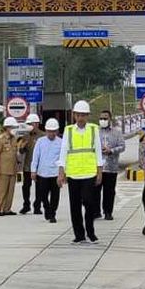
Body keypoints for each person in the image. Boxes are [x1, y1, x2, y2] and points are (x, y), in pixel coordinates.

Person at [58, 100, 104, 244]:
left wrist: (99, 171)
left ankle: (90, 231)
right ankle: (79, 234)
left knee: (89, 203)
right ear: (74, 115)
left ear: (88, 116)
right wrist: (61, 172)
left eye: (84, 115)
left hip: (89, 173)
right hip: (73, 173)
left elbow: (98, 151)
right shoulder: (68, 130)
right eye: (78, 115)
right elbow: (63, 152)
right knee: (75, 205)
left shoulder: (93, 130)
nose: (81, 118)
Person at [31, 118, 63, 223]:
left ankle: (52, 213)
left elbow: (63, 159)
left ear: (57, 131)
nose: (51, 133)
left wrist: (62, 173)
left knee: (55, 196)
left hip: (55, 173)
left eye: (53, 131)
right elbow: (35, 157)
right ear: (46, 131)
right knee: (43, 195)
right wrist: (33, 171)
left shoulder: (61, 143)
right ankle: (46, 207)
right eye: (49, 131)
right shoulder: (40, 142)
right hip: (42, 173)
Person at [95, 110, 126, 220]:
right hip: (97, 167)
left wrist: (111, 150)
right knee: (95, 191)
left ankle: (108, 212)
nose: (103, 120)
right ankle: (96, 211)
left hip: (111, 167)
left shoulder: (117, 132)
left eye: (105, 118)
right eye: (101, 118)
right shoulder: (95, 132)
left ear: (110, 119)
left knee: (109, 191)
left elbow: (122, 146)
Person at [0, 117, 21, 216]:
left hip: (12, 169)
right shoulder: (0, 139)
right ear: (7, 127)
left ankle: (7, 209)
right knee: (1, 191)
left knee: (10, 191)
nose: (14, 129)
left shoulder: (14, 139)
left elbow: (15, 153)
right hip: (3, 169)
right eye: (12, 127)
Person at [18, 114, 43, 215]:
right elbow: (21, 151)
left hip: (39, 167)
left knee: (39, 187)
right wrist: (22, 146)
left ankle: (37, 206)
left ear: (37, 124)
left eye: (31, 123)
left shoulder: (43, 136)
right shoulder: (24, 136)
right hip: (28, 166)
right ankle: (26, 205)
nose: (29, 126)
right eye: (28, 124)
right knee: (26, 186)